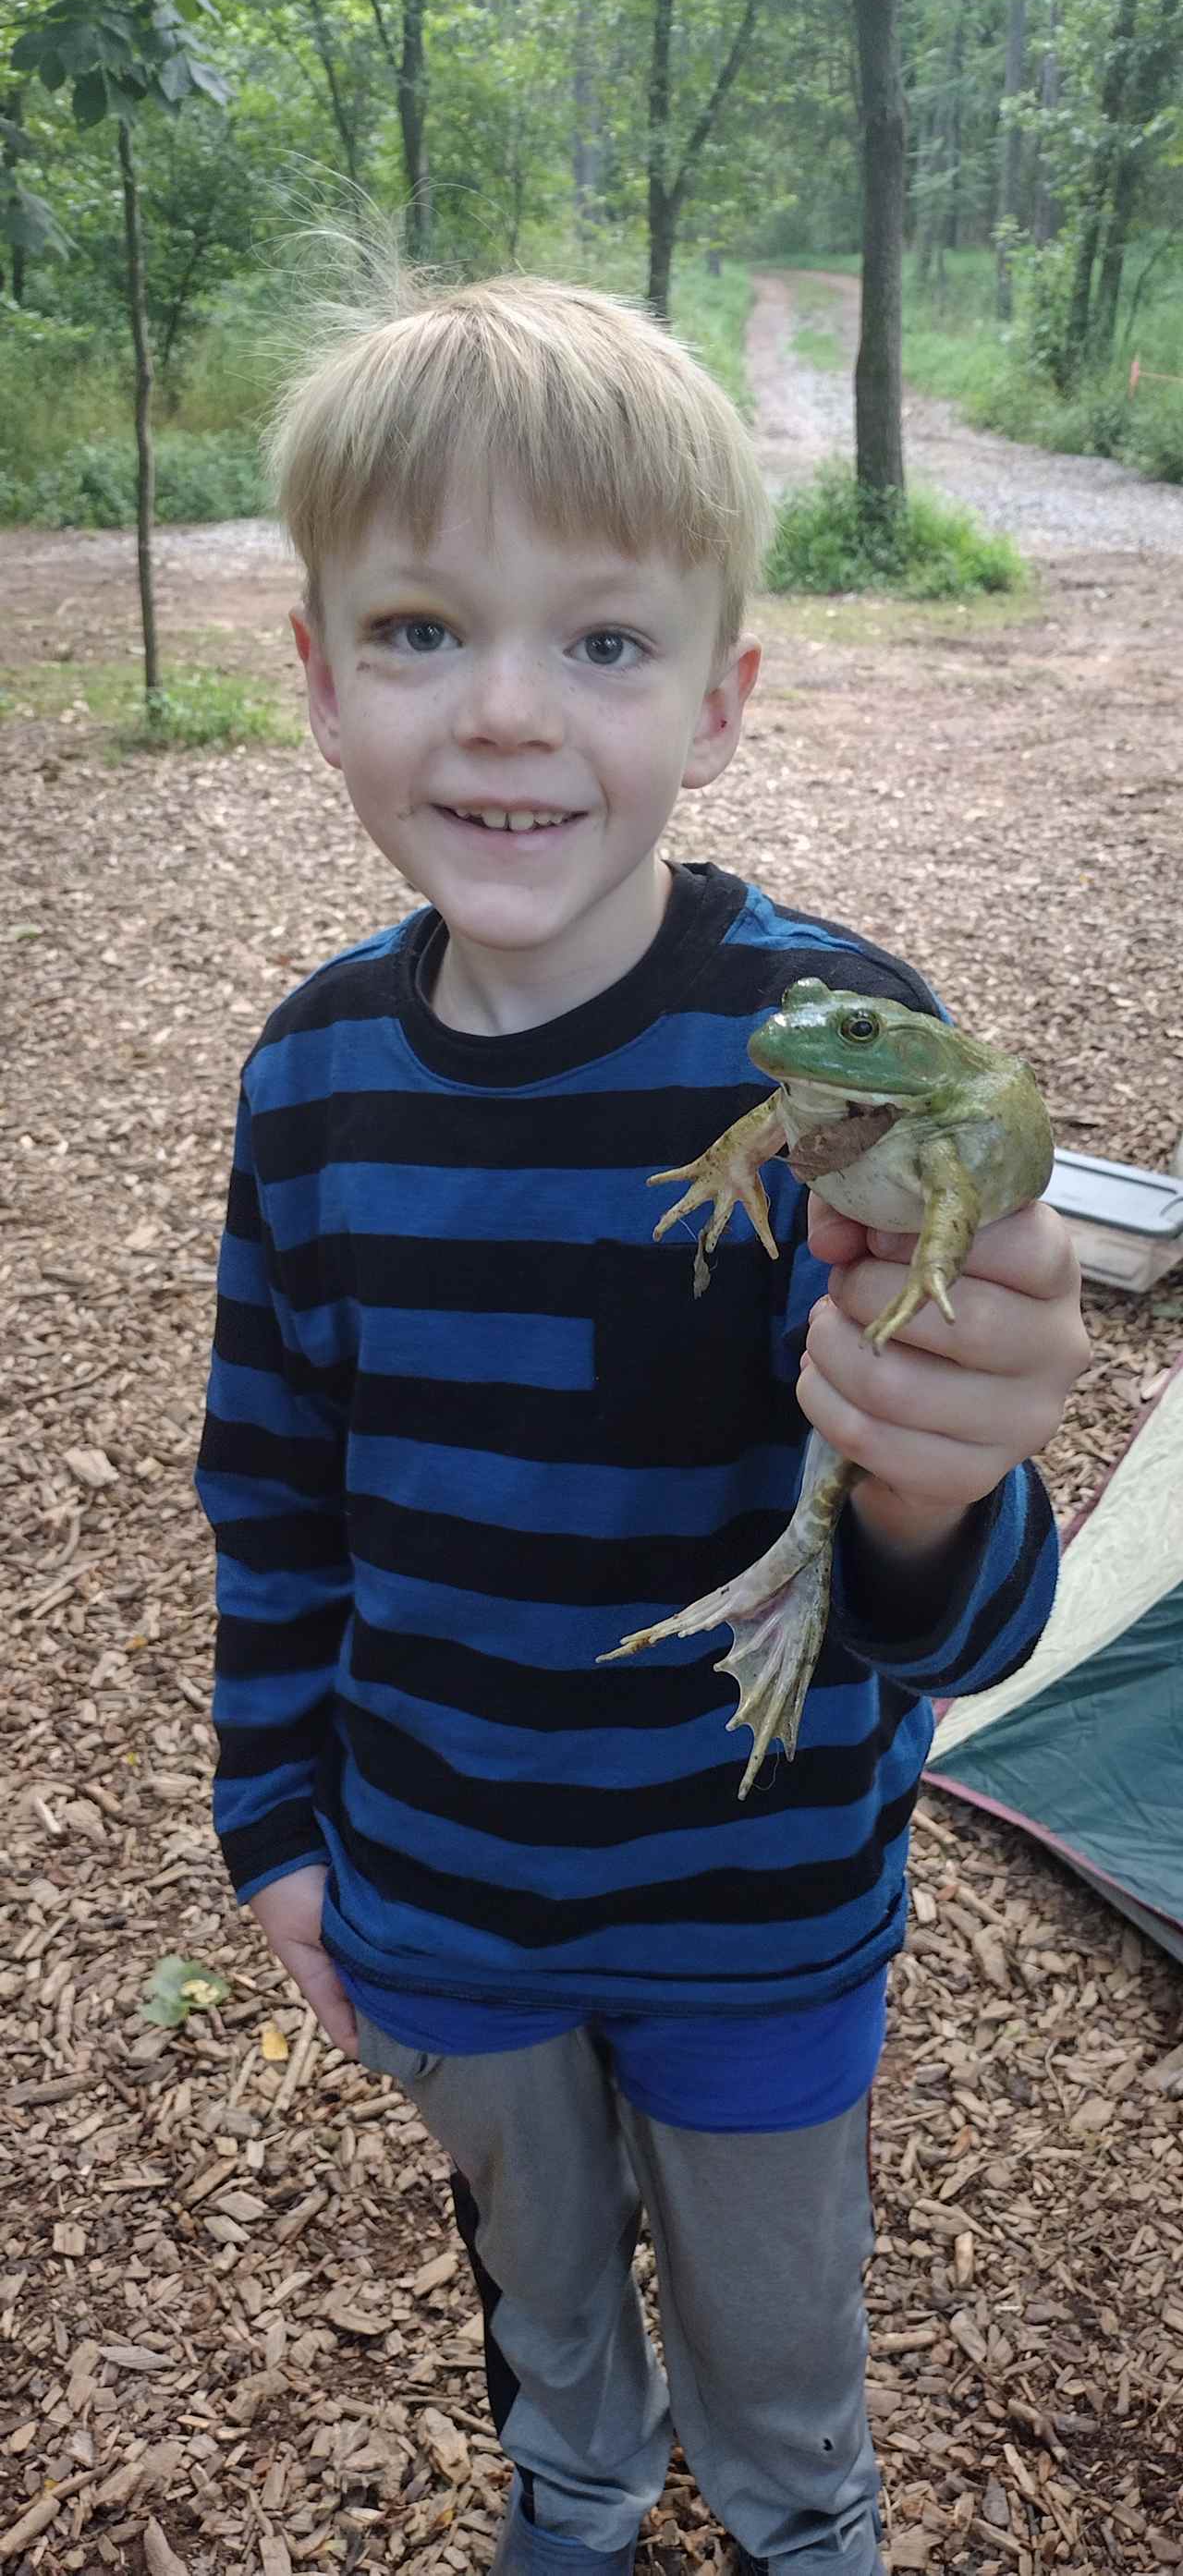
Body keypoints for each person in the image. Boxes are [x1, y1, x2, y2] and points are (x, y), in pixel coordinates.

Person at [195, 264, 1089, 2576]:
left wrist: (941, 1477)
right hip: (444, 1892)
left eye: (600, 643)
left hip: (762, 1899)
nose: (503, 715)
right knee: (547, 2308)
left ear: (719, 698)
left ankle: (803, 2524)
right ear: (314, 673)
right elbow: (273, 1486)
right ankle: (575, 2493)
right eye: (416, 630)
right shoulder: (306, 1084)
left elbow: (964, 1613)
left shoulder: (834, 1047)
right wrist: (274, 1829)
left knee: (781, 2343)